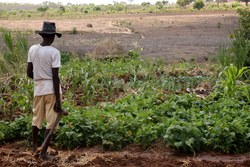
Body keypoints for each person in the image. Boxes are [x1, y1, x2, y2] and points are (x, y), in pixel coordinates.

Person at [27, 21, 62, 160]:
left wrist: (39, 78)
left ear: (43, 35)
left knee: (36, 119)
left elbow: (29, 72)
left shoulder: (32, 49)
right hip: (51, 90)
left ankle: (34, 147)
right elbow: (55, 76)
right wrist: (58, 101)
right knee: (51, 121)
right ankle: (43, 153)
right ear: (53, 36)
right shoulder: (54, 52)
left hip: (38, 89)